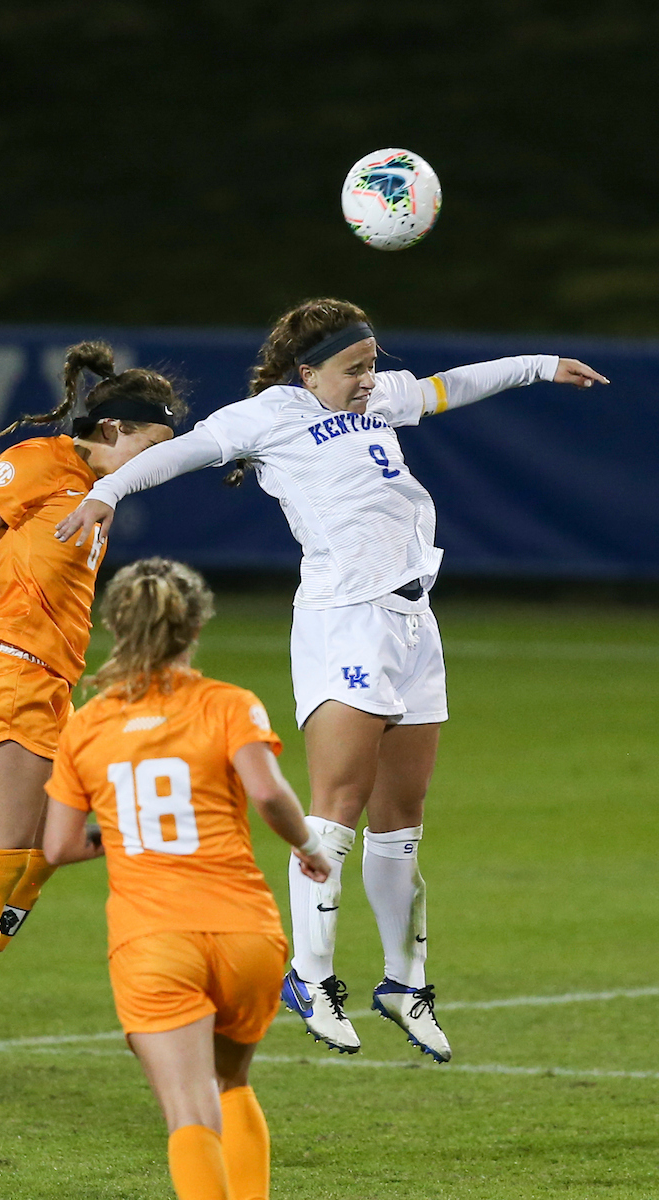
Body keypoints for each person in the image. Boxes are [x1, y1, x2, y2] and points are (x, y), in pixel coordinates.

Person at [55, 298, 609, 1062]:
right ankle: (310, 976)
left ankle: (403, 983)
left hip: (415, 623)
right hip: (345, 621)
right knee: (338, 807)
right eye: (354, 367)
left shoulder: (380, 397)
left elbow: (454, 384)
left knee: (402, 818)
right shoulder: (267, 416)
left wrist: (541, 366)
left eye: (372, 363)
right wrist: (103, 493)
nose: (368, 378)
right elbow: (174, 455)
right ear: (308, 371)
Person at [0, 341, 188, 1117]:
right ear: (114, 428)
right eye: (151, 444)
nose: (154, 462)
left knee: (65, 842)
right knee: (2, 856)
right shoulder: (41, 461)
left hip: (54, 685)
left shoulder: (104, 488)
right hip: (10, 671)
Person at [42, 557, 328, 1200]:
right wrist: (309, 846)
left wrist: (117, 834)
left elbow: (57, 845)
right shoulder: (229, 705)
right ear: (194, 627)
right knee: (232, 1085)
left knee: (188, 1113)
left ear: (114, 626)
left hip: (155, 941)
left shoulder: (86, 726)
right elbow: (269, 793)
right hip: (247, 934)